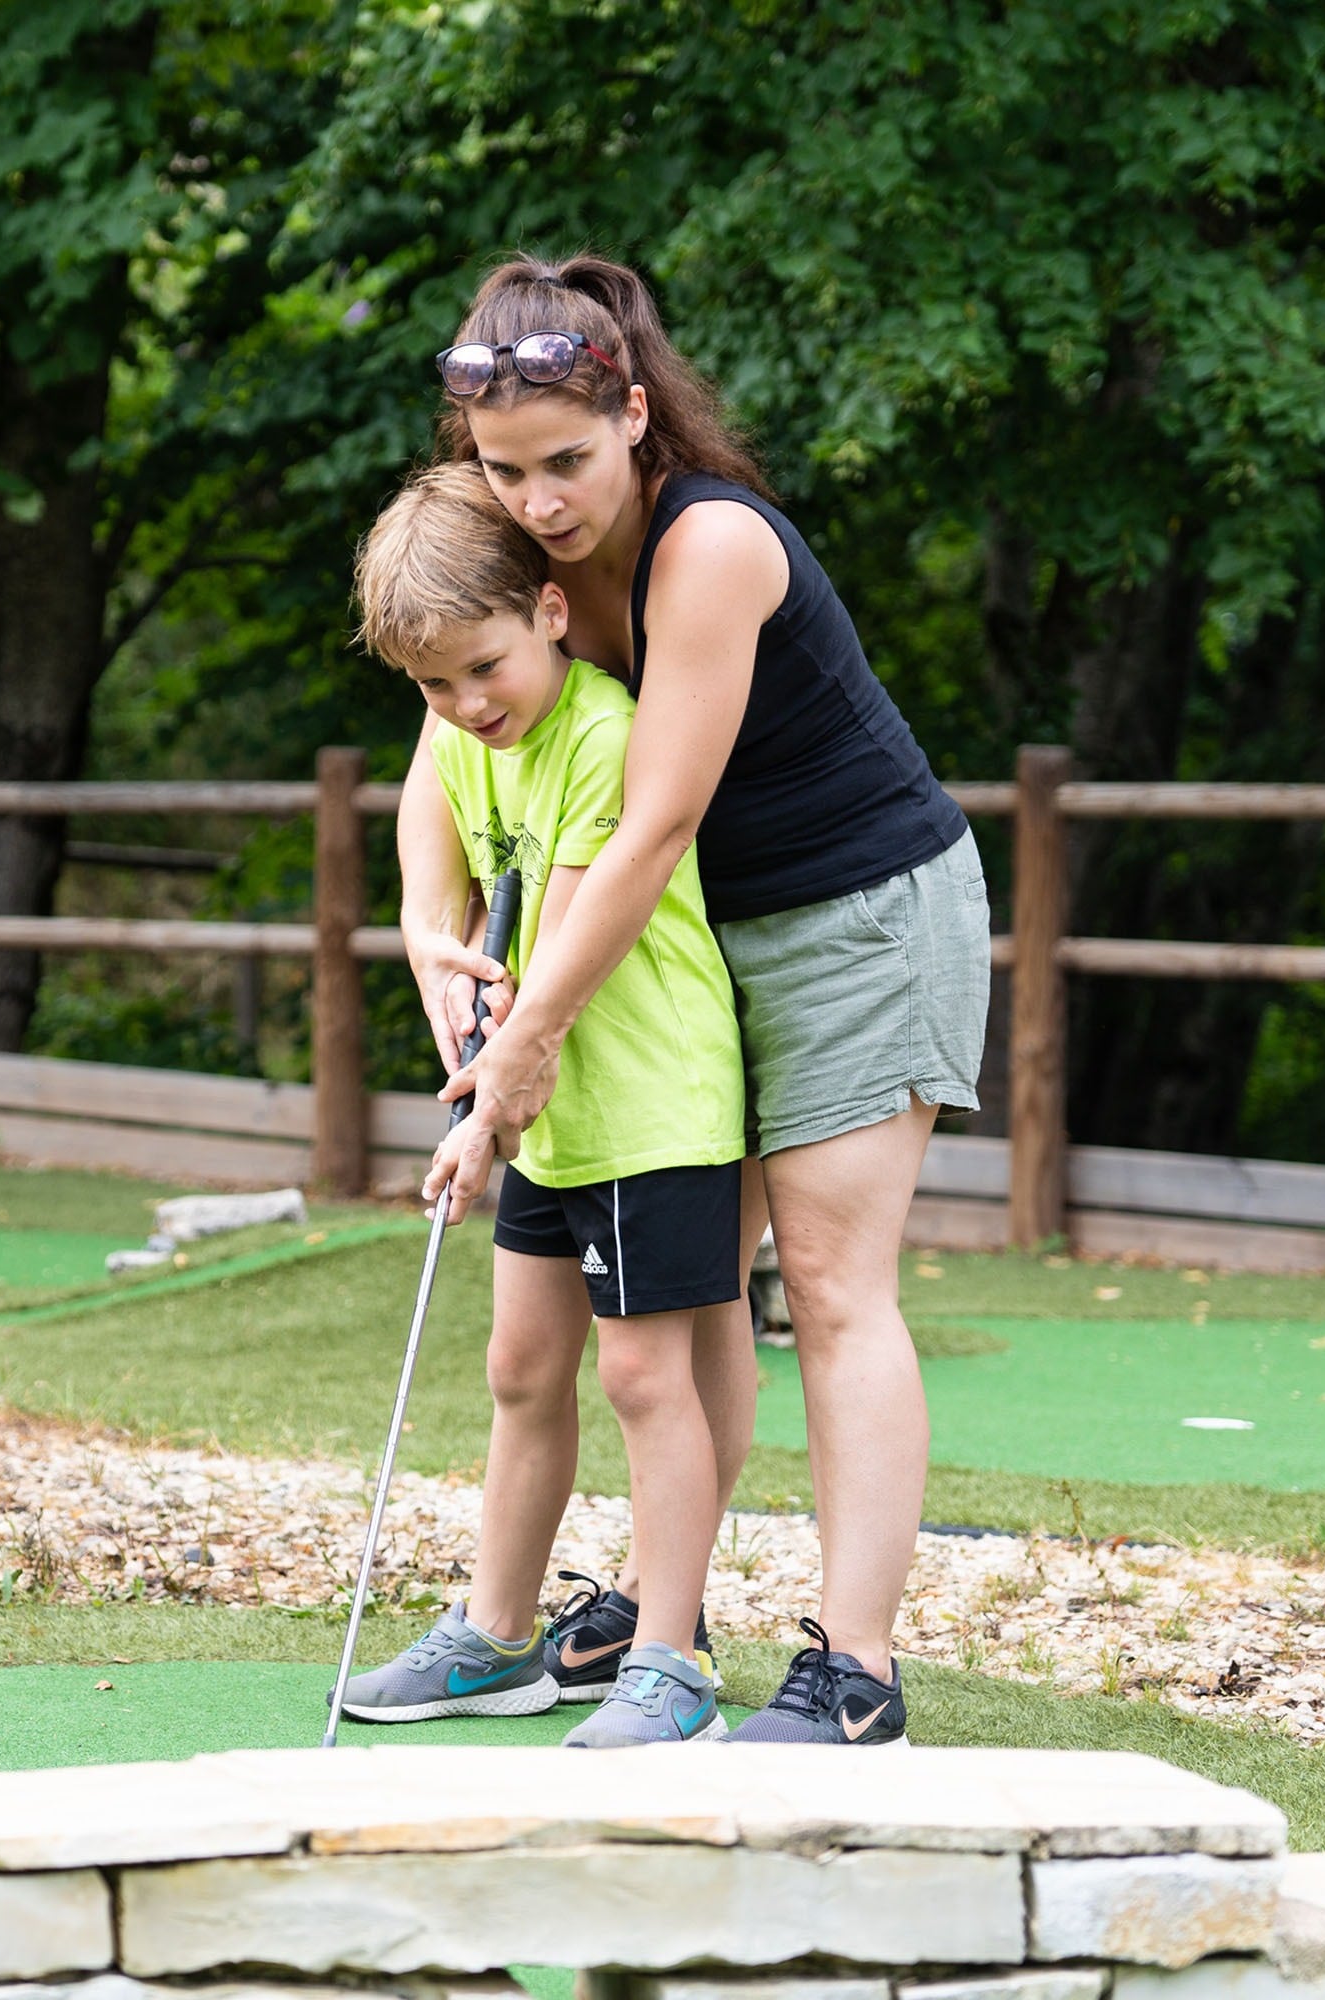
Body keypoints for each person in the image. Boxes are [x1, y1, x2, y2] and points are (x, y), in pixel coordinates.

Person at [404, 256, 990, 1746]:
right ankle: (673, 1632)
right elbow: (438, 740)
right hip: (693, 953)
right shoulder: (511, 538)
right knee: (692, 1292)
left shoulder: (708, 545)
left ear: (637, 415)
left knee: (833, 1286)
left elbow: (654, 822)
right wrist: (429, 926)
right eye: (504, 470)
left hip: (856, 918)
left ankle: (856, 1672)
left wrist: (526, 1036)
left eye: (567, 464)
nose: (537, 502)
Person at [337, 463, 749, 1748]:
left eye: (482, 668)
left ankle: (670, 1656)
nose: (464, 705)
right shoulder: (472, 740)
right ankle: (499, 1638)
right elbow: (440, 848)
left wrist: (477, 1119)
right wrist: (436, 957)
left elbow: (565, 939)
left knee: (641, 1373)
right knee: (522, 1366)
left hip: (651, 1101)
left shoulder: (602, 732)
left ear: (551, 617)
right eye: (433, 688)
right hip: (555, 1115)